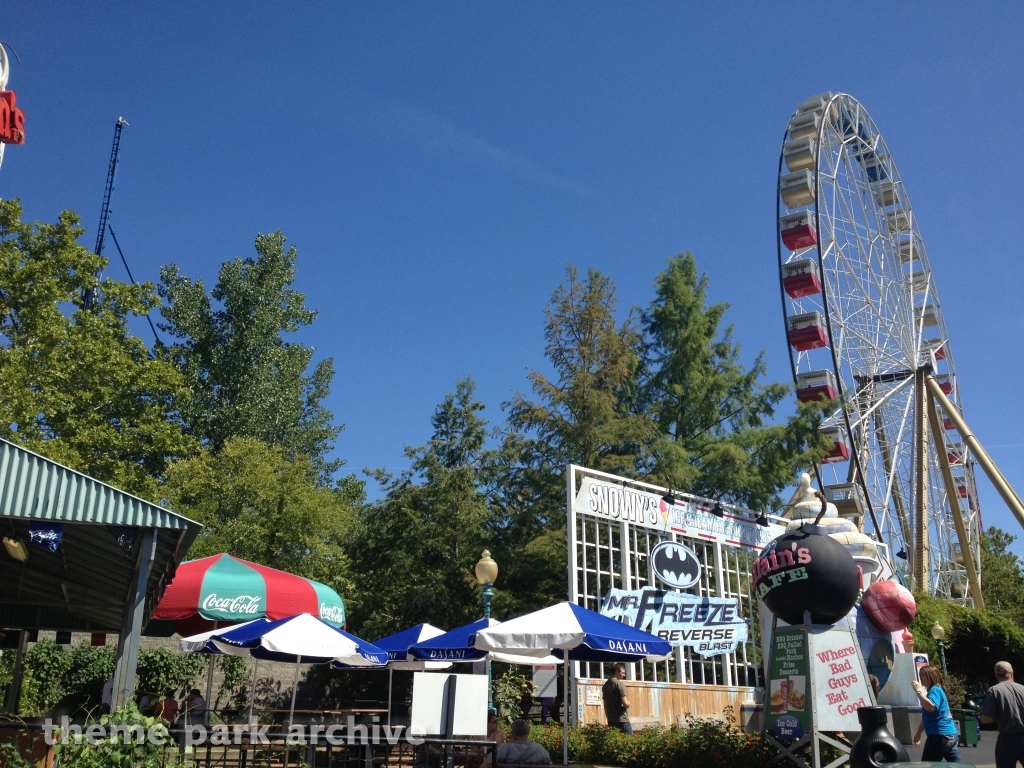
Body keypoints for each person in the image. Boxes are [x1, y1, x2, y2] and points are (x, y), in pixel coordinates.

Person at [912, 665, 963, 763]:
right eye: (920, 675)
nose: (920, 678)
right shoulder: (936, 690)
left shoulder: (934, 690)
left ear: (931, 676)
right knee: (957, 765)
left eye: (923, 675)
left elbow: (931, 707)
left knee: (928, 764)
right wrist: (918, 733)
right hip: (949, 734)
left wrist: (918, 691)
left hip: (939, 736)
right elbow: (927, 717)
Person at [980, 661, 1024, 768]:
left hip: (1007, 738)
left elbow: (988, 719)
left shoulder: (994, 691)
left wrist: (981, 718)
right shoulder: (1022, 689)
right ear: (1012, 673)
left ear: (996, 675)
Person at [602, 663, 632, 734]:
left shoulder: (605, 685)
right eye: (622, 673)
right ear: (616, 671)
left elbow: (605, 703)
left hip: (611, 719)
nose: (624, 675)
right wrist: (628, 704)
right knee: (629, 738)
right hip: (622, 719)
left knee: (615, 739)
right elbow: (625, 703)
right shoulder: (619, 684)